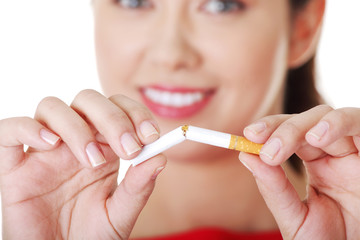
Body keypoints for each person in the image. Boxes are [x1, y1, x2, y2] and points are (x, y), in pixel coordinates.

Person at [1, 0, 359, 239]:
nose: (170, 54)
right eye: (135, 1)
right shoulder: (58, 225)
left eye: (220, 5)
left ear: (303, 28)